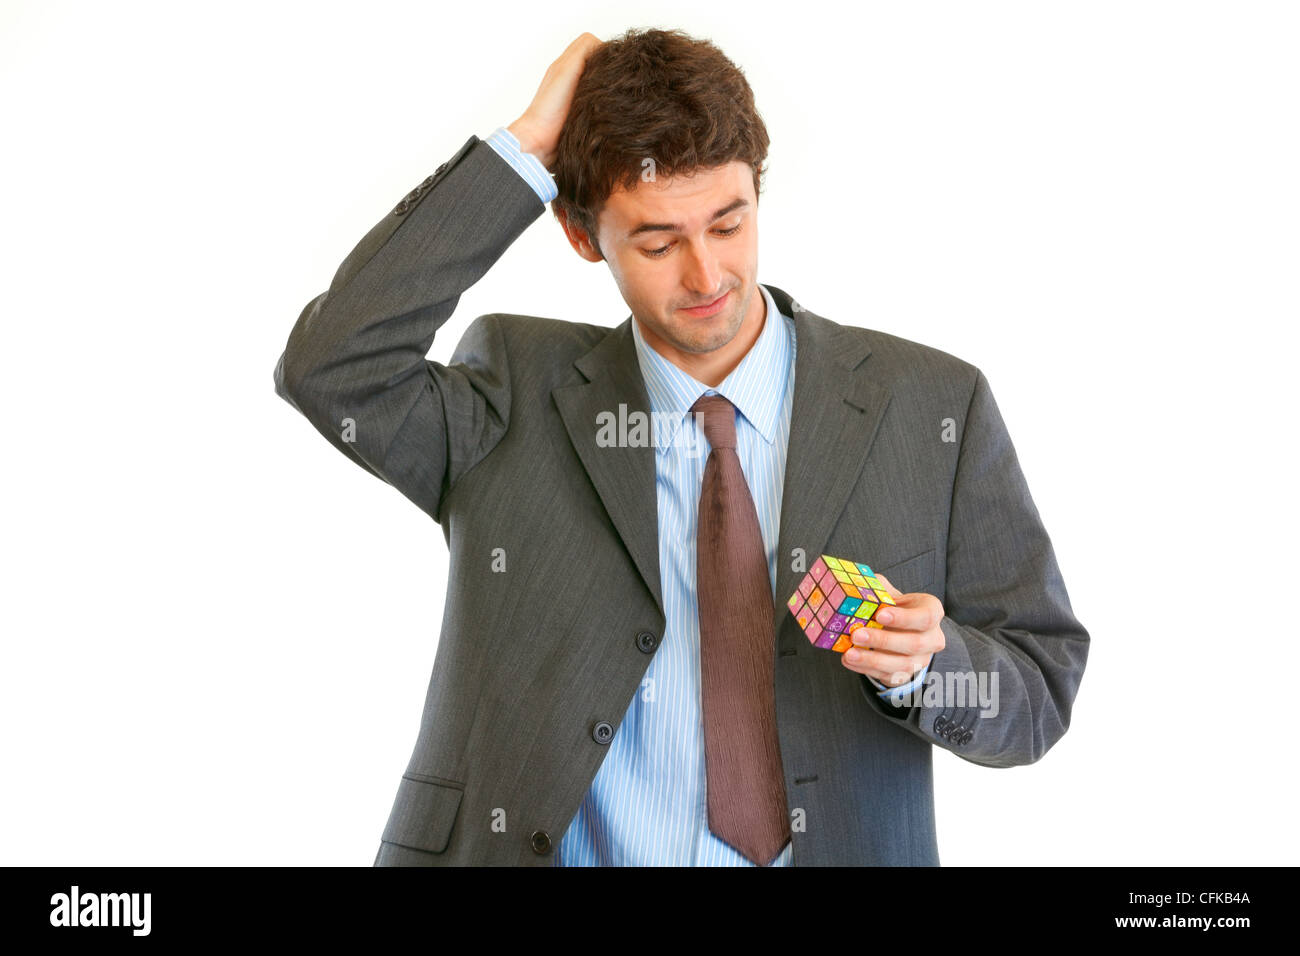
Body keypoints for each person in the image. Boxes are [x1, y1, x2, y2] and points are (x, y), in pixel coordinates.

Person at [272, 28, 1090, 866]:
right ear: (583, 236)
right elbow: (331, 368)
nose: (707, 277)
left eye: (729, 224)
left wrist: (927, 665)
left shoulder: (931, 407)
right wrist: (523, 152)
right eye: (658, 244)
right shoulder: (513, 393)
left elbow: (1038, 693)